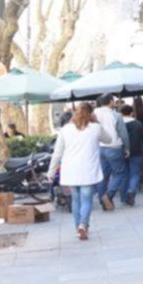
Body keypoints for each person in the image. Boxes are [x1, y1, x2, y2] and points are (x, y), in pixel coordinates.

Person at [50, 102, 103, 241]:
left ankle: (77, 227)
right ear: (91, 114)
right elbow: (108, 139)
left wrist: (51, 172)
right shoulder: (96, 128)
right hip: (88, 170)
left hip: (70, 171)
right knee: (86, 199)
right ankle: (83, 225)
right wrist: (97, 122)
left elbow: (57, 153)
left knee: (75, 199)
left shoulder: (65, 129)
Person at [94, 93, 128, 211]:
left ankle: (102, 200)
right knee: (119, 173)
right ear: (110, 102)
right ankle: (108, 196)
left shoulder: (94, 114)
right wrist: (127, 148)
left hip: (99, 148)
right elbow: (123, 133)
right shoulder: (116, 115)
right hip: (114, 147)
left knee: (103, 175)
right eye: (113, 101)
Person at [118, 104, 143, 206]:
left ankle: (123, 197)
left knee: (124, 175)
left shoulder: (118, 124)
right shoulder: (138, 124)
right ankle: (131, 191)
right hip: (136, 152)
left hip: (122, 151)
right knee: (135, 174)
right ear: (132, 113)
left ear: (121, 113)